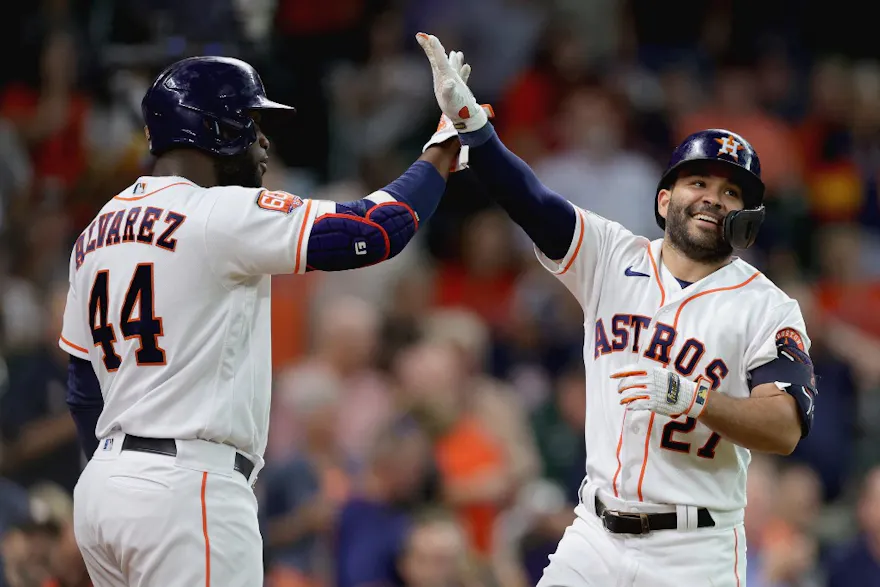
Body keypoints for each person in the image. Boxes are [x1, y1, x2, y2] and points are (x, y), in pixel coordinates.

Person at [416, 33, 818, 586]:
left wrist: (694, 398)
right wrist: (474, 128)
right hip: (595, 535)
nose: (713, 198)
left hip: (694, 549)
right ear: (663, 199)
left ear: (747, 216)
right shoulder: (610, 255)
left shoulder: (767, 307)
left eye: (731, 193)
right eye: (698, 181)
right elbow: (530, 199)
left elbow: (784, 427)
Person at [58, 56, 461, 587]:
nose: (263, 142)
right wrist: (443, 147)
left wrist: (122, 475)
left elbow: (83, 388)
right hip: (187, 486)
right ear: (215, 130)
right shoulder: (216, 214)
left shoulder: (96, 231)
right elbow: (375, 230)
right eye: (252, 124)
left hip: (104, 490)